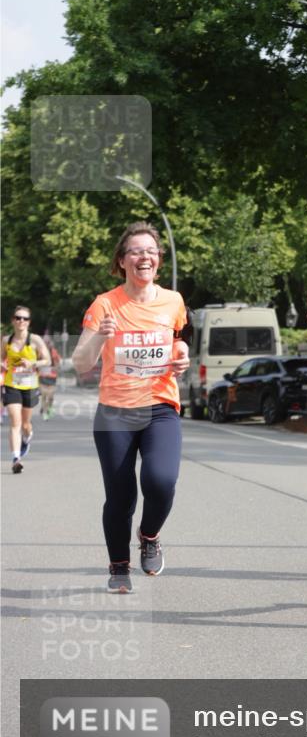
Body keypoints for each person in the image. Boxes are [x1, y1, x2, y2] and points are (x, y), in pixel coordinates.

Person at [72, 221, 190, 593]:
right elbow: (80, 362)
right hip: (115, 412)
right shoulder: (105, 304)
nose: (145, 257)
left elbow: (177, 343)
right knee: (120, 495)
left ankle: (150, 534)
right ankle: (119, 566)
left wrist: (182, 354)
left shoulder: (173, 301)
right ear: (122, 261)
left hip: (160, 406)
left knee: (161, 481)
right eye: (136, 251)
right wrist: (100, 337)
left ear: (158, 260)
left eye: (151, 251)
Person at [2, 306, 51, 474]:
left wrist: (33, 364)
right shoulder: (6, 341)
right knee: (14, 422)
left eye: (25, 318)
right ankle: (16, 459)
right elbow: (1, 359)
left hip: (30, 385)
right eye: (18, 317)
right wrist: (3, 364)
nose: (21, 321)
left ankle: (27, 436)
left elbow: (47, 360)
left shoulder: (35, 340)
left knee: (25, 424)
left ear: (29, 322)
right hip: (12, 384)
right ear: (12, 320)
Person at [39, 334, 61, 420]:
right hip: (42, 376)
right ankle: (45, 412)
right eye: (44, 342)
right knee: (44, 395)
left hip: (52, 377)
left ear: (50, 343)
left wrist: (55, 368)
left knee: (51, 396)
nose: (45, 343)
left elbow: (57, 364)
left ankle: (49, 407)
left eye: (47, 342)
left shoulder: (53, 351)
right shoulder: (39, 352)